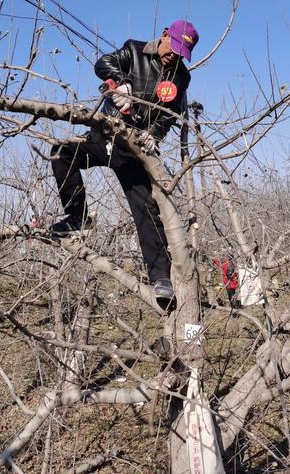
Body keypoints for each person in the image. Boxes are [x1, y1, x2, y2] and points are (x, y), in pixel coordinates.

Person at [50, 20, 199, 300]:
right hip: (105, 134)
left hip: (135, 149)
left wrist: (154, 134)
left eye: (182, 54)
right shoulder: (134, 50)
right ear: (165, 35)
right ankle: (76, 217)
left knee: (146, 210)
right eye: (173, 48)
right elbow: (103, 63)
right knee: (61, 152)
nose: (174, 56)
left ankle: (161, 279)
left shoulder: (181, 77)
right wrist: (122, 84)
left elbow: (168, 115)